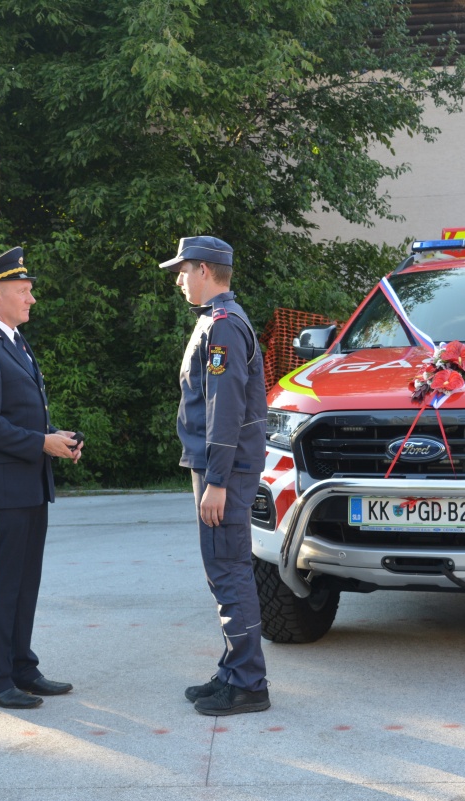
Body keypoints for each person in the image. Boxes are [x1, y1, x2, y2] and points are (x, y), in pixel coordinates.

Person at [0, 246, 83, 710]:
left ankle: (22, 668)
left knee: (25, 583)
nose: (31, 300)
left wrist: (55, 437)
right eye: (23, 292)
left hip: (28, 485)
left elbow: (18, 415)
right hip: (0, 489)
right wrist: (40, 443)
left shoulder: (13, 341)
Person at [159, 236, 271, 716]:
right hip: (219, 467)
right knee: (223, 569)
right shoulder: (218, 321)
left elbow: (225, 410)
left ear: (204, 270)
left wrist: (218, 482)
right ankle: (233, 669)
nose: (179, 279)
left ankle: (248, 682)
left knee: (228, 570)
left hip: (223, 470)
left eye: (182, 270)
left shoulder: (222, 326)